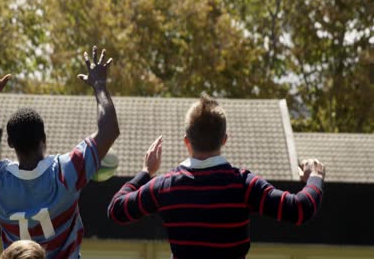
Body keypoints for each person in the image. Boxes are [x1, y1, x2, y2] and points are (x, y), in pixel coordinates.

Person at [108, 95, 325, 259]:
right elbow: (300, 209)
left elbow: (116, 210)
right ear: (224, 139)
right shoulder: (243, 185)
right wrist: (315, 176)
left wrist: (146, 172)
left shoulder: (165, 187)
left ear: (186, 141)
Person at [0, 46, 119, 258]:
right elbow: (109, 130)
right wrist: (100, 84)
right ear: (44, 138)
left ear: (10, 142)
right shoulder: (66, 172)